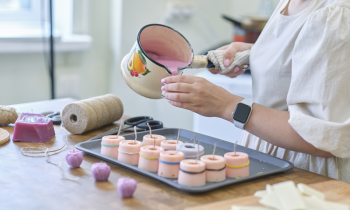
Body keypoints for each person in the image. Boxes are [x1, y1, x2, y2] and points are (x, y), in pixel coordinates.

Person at [161, 0, 350, 183]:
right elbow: (306, 50)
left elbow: (321, 138)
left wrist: (226, 105)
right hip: (266, 162)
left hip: (306, 178)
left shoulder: (336, 13)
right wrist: (256, 54)